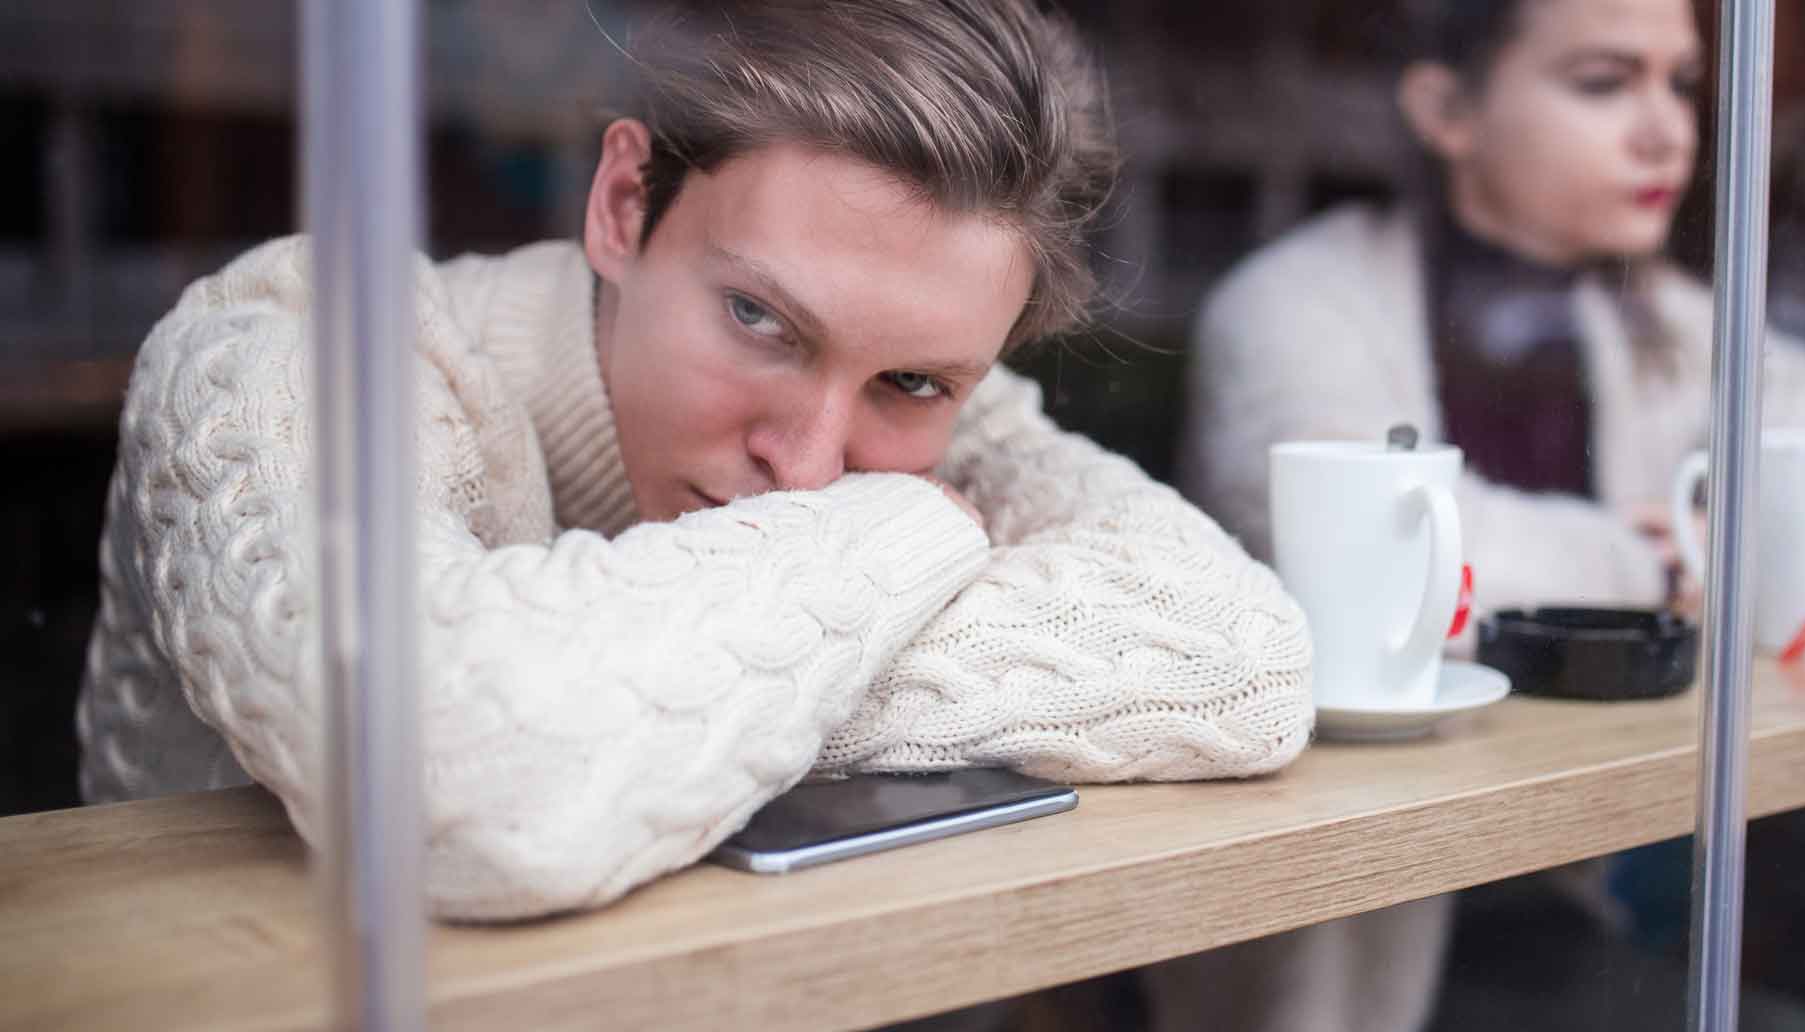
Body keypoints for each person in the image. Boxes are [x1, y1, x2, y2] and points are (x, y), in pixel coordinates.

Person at [75, 0, 1314, 923]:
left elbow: (1243, 664)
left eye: (911, 382)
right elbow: (468, 780)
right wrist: (902, 534)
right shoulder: (296, 354)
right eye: (760, 321)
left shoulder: (941, 400)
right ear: (623, 206)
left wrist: (637, 676)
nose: (812, 463)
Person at [1159, 0, 1805, 1027]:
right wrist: (1665, 566)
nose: (1667, 128)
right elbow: (1367, 567)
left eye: (1677, 82)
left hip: (1547, 907)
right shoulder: (1296, 304)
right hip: (1337, 957)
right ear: (1445, 109)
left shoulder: (1664, 326)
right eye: (1601, 82)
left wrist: (1726, 542)